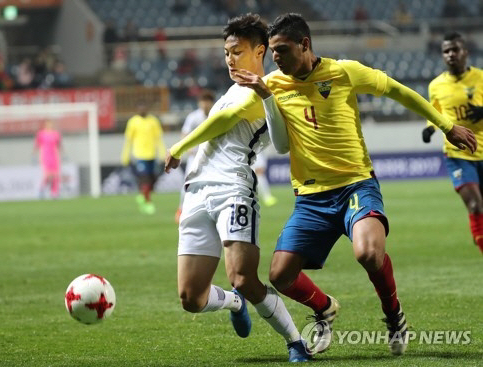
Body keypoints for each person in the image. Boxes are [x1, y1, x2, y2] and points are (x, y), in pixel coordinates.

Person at [178, 13, 476, 356]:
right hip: (310, 198)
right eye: (273, 52)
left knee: (368, 253)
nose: (276, 59)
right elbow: (227, 118)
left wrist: (445, 125)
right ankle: (323, 308)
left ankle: (394, 315)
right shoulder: (272, 85)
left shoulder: (344, 71)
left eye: (283, 50)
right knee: (279, 275)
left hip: (355, 185)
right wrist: (179, 148)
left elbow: (397, 91)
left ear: (305, 45)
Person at [164, 14, 313, 362]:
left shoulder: (271, 88)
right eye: (226, 53)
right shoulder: (231, 90)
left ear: (260, 51)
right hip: (197, 192)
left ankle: (296, 342)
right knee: (190, 298)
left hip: (234, 188)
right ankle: (233, 302)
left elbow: (237, 127)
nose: (229, 59)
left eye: (237, 51)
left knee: (243, 277)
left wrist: (178, 147)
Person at [422, 32, 483, 253]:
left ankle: (479, 236)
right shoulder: (436, 85)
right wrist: (429, 128)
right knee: (475, 205)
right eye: (446, 51)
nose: (450, 55)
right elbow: (434, 111)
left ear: (465, 52)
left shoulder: (480, 77)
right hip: (458, 154)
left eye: (455, 50)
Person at [175, 89, 216, 223]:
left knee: (214, 183)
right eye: (203, 102)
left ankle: (212, 210)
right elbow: (184, 133)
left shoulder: (216, 115)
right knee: (188, 183)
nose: (205, 105)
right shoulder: (193, 117)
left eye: (208, 102)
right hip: (196, 156)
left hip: (212, 156)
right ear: (199, 103)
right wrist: (188, 148)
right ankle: (181, 209)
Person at [121, 101, 166, 215]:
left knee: (153, 180)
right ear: (137, 110)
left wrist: (162, 153)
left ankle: (142, 196)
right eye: (140, 108)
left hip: (152, 155)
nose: (142, 110)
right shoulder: (133, 122)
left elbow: (158, 139)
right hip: (140, 155)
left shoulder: (153, 121)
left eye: (144, 108)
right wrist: (125, 155)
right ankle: (148, 203)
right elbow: (128, 141)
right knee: (145, 179)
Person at [34, 120, 62, 199]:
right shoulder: (41, 134)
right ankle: (41, 190)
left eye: (51, 124)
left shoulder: (56, 134)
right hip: (45, 155)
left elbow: (59, 146)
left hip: (54, 156)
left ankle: (54, 193)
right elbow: (37, 145)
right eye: (48, 124)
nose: (50, 126)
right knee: (47, 175)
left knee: (56, 175)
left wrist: (60, 155)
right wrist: (36, 156)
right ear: (45, 125)